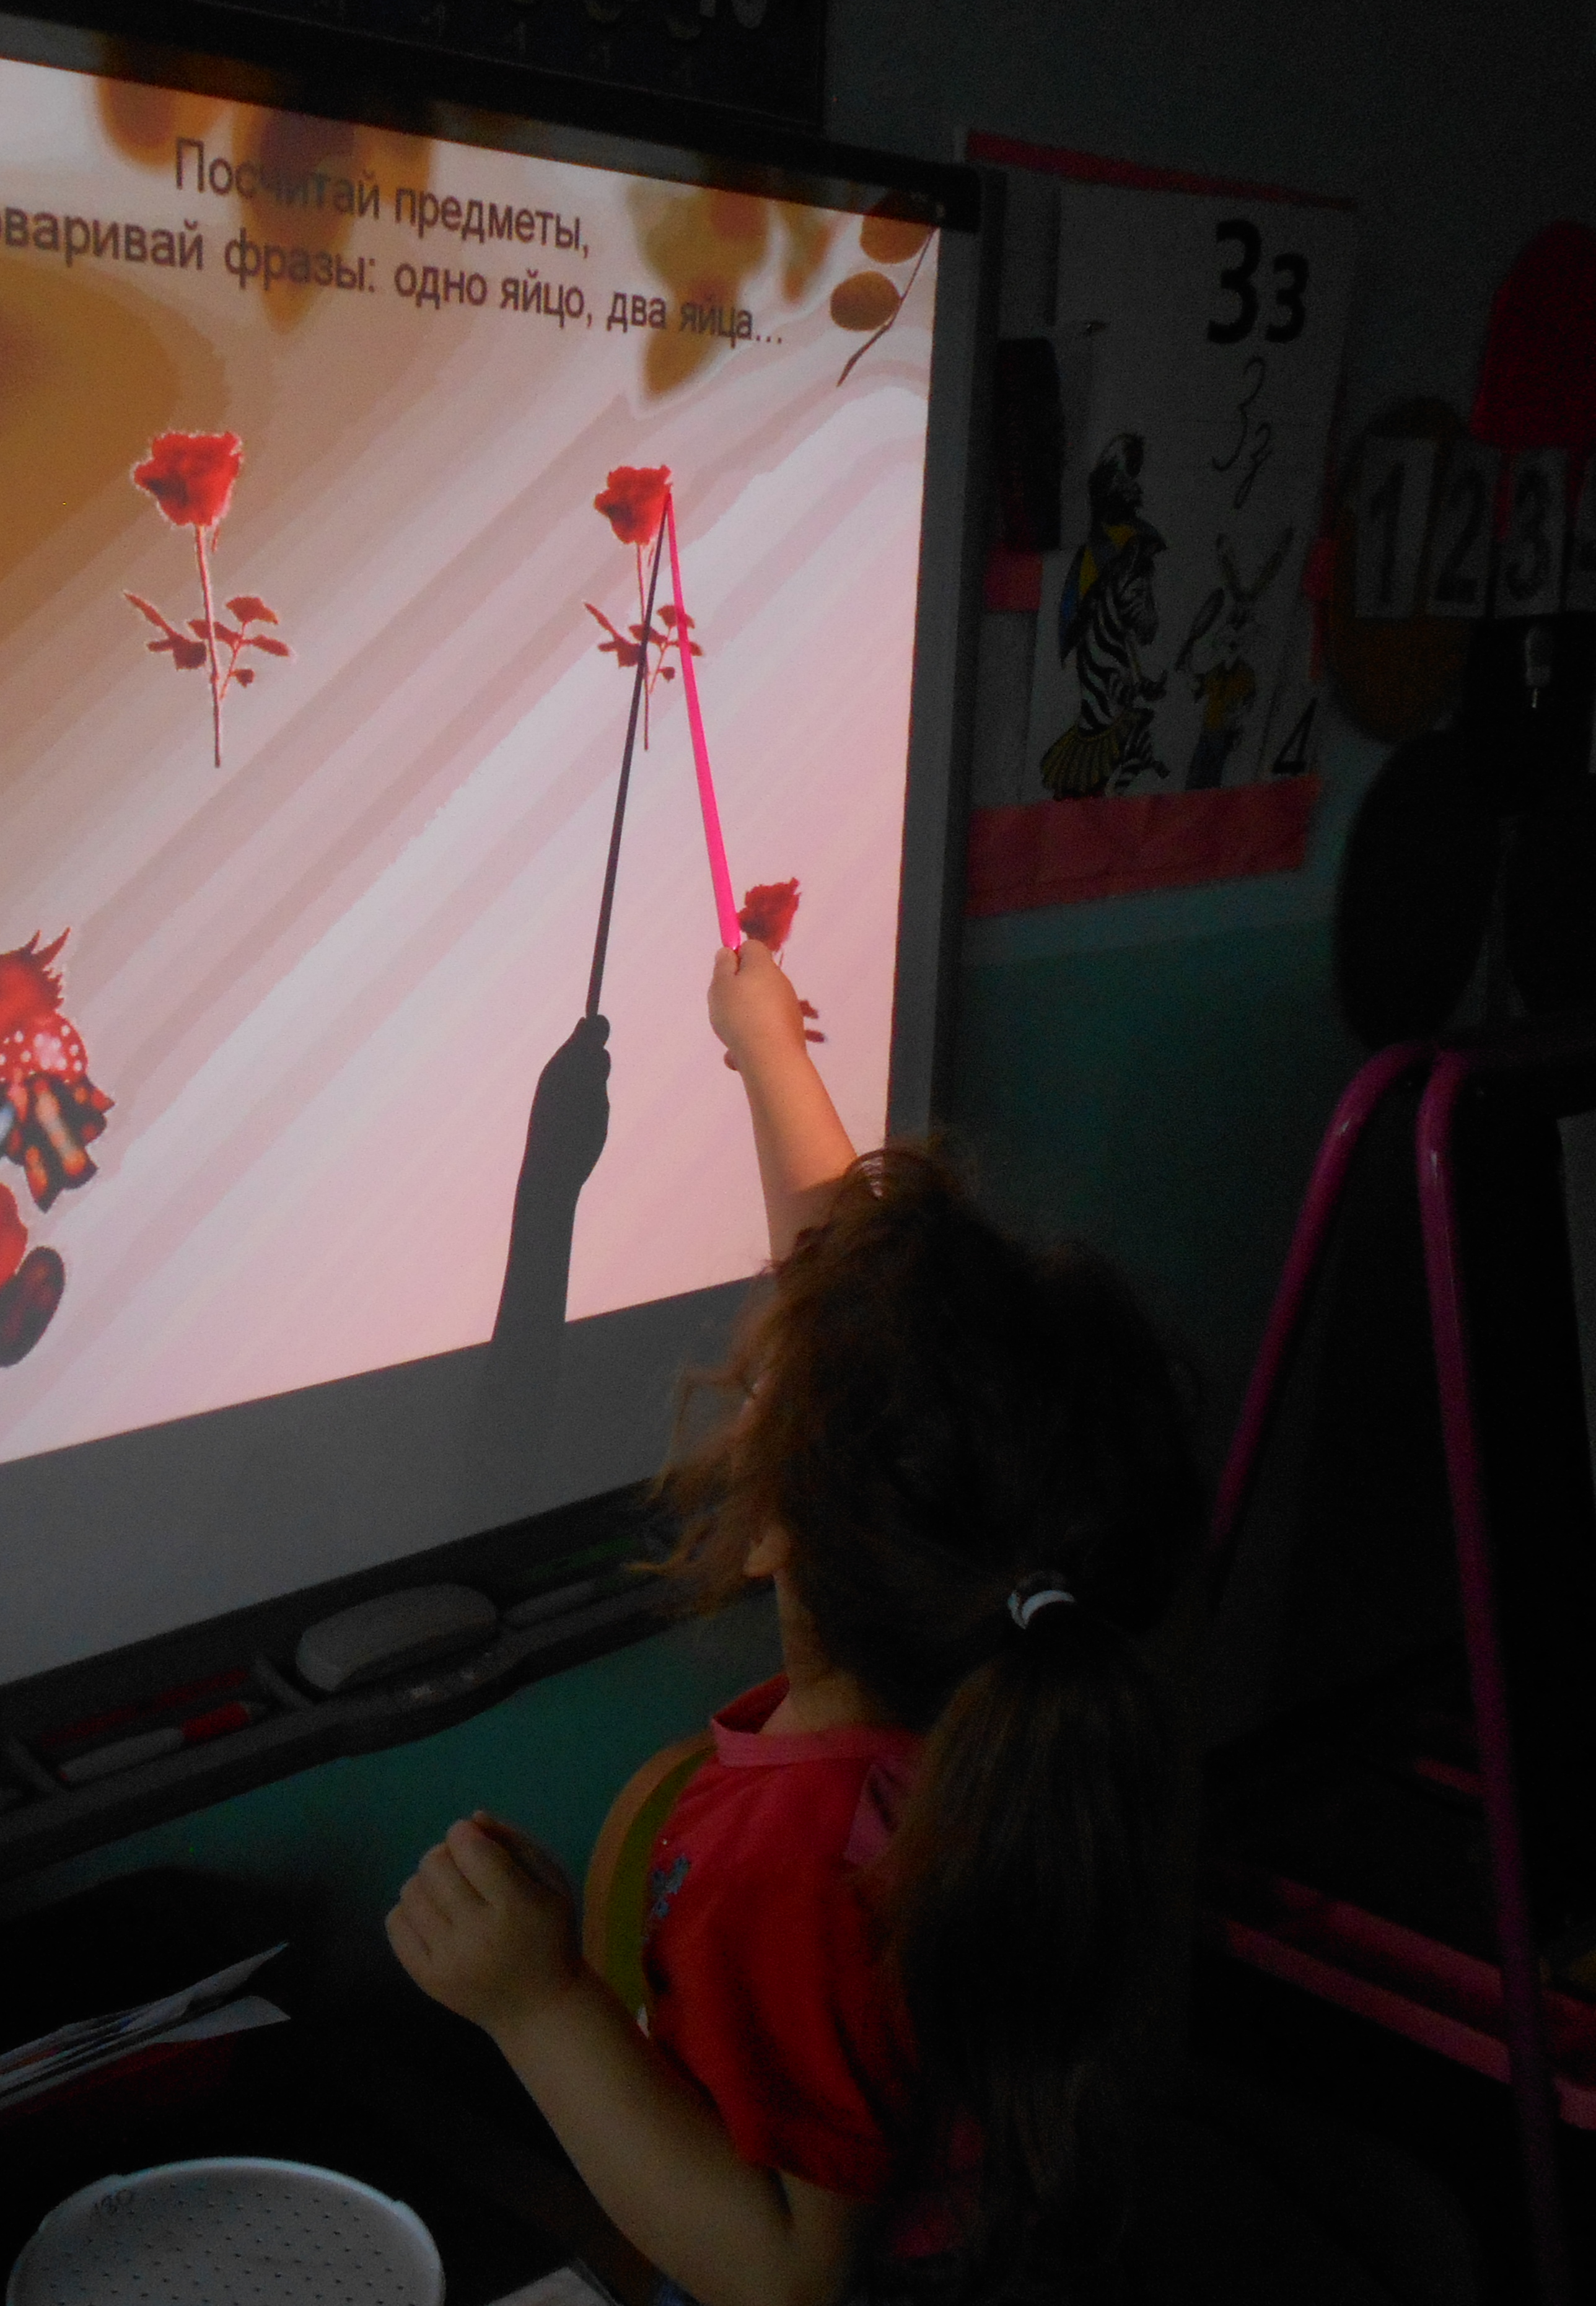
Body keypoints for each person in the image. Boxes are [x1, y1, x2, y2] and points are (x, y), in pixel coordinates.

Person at [387, 942, 1205, 2306]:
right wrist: (767, 1052)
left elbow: (785, 2273)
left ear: (780, 1523)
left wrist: (536, 2006)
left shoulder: (798, 1875)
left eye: (763, 1394)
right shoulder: (999, 1692)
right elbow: (865, 1327)